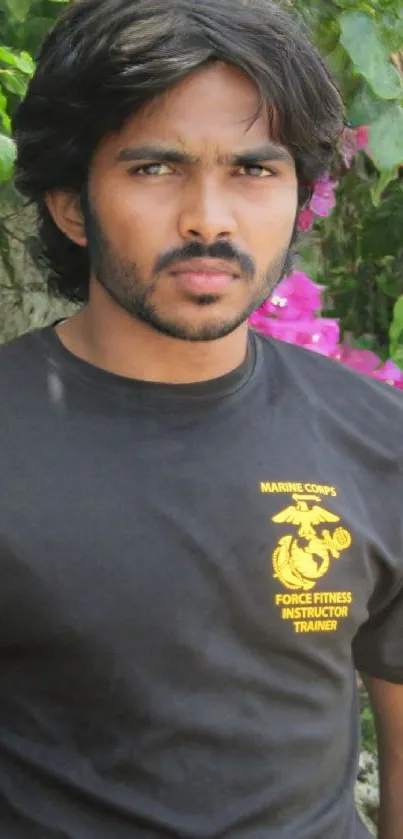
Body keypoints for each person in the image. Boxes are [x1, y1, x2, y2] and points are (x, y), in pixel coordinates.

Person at [2, 0, 402, 836]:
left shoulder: (376, 436)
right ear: (71, 204)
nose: (209, 219)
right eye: (154, 168)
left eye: (254, 171)